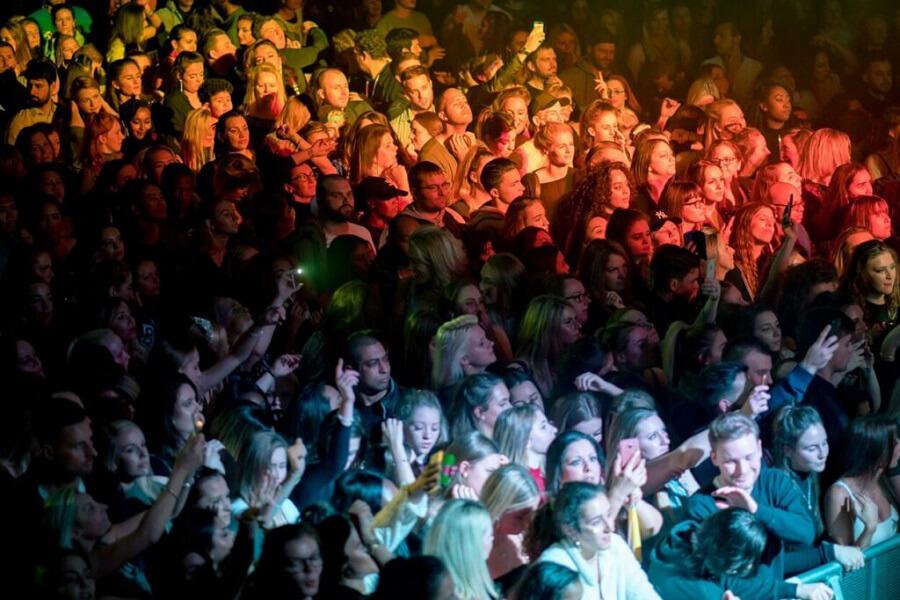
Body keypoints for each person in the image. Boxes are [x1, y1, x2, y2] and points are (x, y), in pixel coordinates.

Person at [824, 415, 900, 548]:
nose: (899, 446)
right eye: (894, 443)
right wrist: (869, 529)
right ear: (876, 449)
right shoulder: (839, 494)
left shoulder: (882, 480)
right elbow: (849, 563)